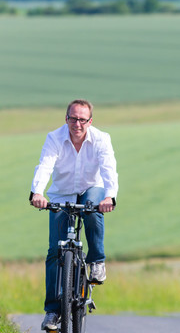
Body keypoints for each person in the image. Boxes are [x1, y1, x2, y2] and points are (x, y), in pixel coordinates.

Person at [30, 99, 118, 332]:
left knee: (92, 207)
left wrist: (110, 196)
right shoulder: (54, 138)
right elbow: (45, 165)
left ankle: (97, 260)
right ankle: (52, 311)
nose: (77, 123)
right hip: (62, 192)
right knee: (53, 251)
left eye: (82, 119)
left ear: (90, 121)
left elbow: (109, 168)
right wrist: (37, 192)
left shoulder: (101, 138)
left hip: (92, 187)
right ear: (66, 118)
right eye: (73, 118)